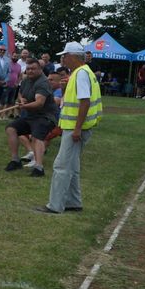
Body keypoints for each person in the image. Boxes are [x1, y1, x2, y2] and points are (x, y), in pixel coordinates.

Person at [37, 43, 102, 214]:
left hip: (75, 128)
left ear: (73, 56)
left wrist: (77, 129)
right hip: (77, 127)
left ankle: (55, 205)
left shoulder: (80, 74)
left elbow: (85, 101)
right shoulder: (84, 72)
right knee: (72, 166)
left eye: (65, 55)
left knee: (61, 166)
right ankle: (73, 201)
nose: (63, 58)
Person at [4, 59, 55, 177]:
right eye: (28, 69)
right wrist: (21, 99)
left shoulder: (43, 82)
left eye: (33, 69)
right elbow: (20, 93)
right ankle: (15, 160)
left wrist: (23, 106)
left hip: (45, 116)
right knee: (11, 129)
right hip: (31, 116)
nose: (30, 71)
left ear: (40, 70)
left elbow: (39, 103)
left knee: (37, 137)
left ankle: (39, 168)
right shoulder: (26, 80)